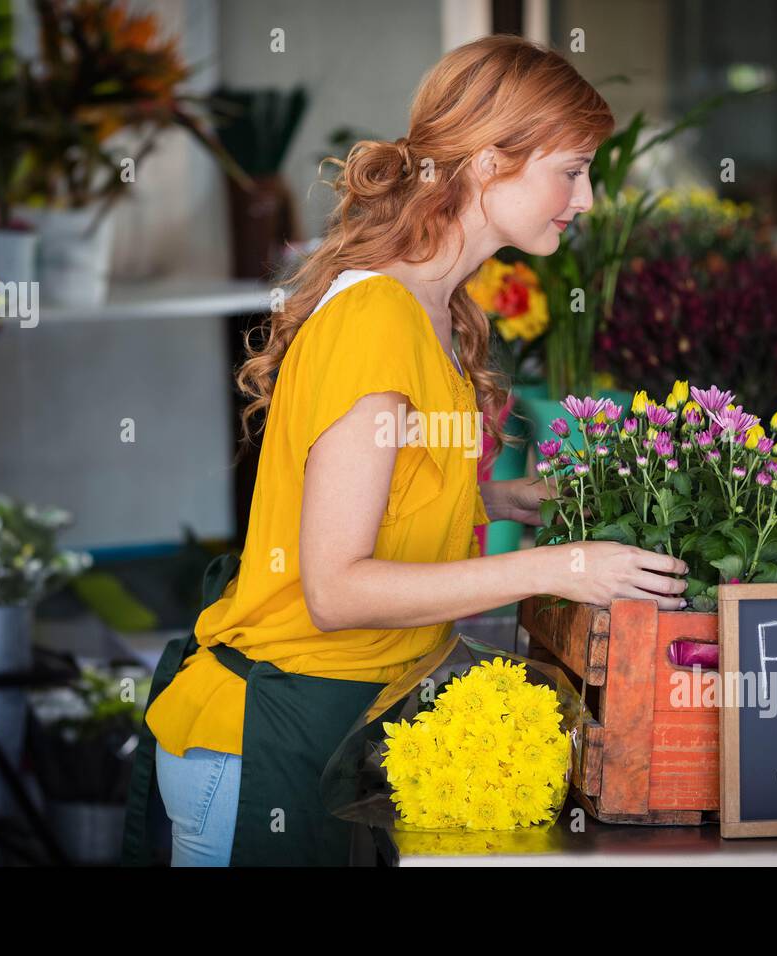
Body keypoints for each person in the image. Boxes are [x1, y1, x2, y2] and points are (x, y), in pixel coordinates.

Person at [143, 33, 689, 867]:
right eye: (572, 169)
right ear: (484, 162)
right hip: (273, 735)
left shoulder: (435, 311)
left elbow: (376, 494)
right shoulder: (379, 321)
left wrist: (492, 501)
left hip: (341, 718)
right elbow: (335, 588)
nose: (586, 198)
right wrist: (564, 569)